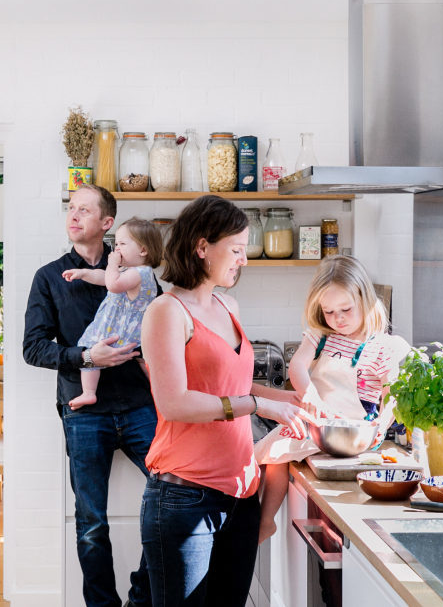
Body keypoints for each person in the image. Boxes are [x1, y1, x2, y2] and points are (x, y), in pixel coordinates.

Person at [139, 195, 312, 607]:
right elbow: (174, 402)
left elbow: (233, 382)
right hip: (184, 497)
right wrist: (257, 405)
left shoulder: (227, 305)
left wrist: (295, 399)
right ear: (202, 248)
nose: (244, 259)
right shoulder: (167, 311)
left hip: (241, 496)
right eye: (236, 249)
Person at [23, 184, 159, 607]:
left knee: (175, 497)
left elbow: (164, 325)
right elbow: (33, 348)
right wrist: (85, 355)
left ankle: (141, 599)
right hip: (84, 414)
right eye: (71, 208)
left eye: (85, 210)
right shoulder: (48, 277)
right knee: (91, 522)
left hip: (141, 406)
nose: (74, 215)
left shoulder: (134, 266)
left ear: (107, 223)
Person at [255, 254, 410, 542]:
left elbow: (392, 397)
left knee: (274, 452)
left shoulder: (383, 347)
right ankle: (266, 520)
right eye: (329, 312)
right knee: (269, 453)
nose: (337, 319)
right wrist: (311, 394)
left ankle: (261, 521)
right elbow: (297, 366)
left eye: (345, 309)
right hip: (317, 422)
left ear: (364, 299)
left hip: (353, 432)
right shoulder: (321, 334)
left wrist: (382, 424)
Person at [62, 217, 162, 409]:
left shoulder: (139, 273)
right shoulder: (134, 272)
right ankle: (158, 389)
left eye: (122, 244)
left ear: (143, 250)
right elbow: (104, 278)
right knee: (145, 361)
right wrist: (83, 273)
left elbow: (112, 284)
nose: (116, 249)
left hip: (119, 330)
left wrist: (112, 264)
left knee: (89, 346)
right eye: (116, 243)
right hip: (135, 331)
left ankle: (89, 392)